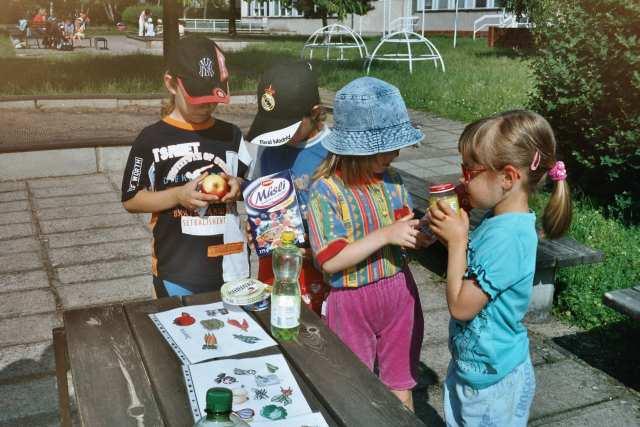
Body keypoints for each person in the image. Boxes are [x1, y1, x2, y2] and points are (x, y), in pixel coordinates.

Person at [427, 110, 572, 426]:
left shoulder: (508, 237)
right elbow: (473, 269)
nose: (462, 178)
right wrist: (455, 234)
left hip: (494, 384)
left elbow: (462, 307)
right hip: (475, 369)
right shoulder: (498, 222)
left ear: (508, 177)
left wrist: (456, 242)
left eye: (470, 171)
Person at [307, 77, 430, 410]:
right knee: (353, 389)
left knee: (401, 384)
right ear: (355, 148)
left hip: (399, 294)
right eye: (384, 147)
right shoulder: (325, 191)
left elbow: (403, 231)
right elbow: (330, 261)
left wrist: (423, 233)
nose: (395, 153)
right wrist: (386, 235)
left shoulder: (392, 180)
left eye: (396, 144)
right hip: (351, 302)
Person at [121, 35, 253, 298]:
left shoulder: (231, 135)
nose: (206, 106)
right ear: (170, 83)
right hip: (176, 271)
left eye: (212, 98)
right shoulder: (151, 139)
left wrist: (239, 186)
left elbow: (251, 185)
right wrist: (178, 195)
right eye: (197, 98)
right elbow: (131, 198)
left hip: (231, 268)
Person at [246, 62, 331, 315]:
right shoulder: (268, 147)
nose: (278, 136)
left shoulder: (333, 152)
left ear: (315, 113)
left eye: (286, 128)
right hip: (275, 268)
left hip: (319, 270)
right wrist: (254, 225)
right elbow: (258, 193)